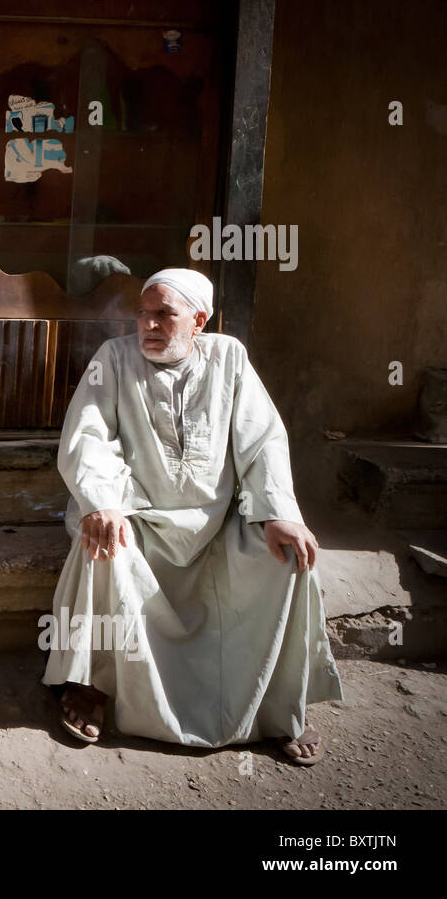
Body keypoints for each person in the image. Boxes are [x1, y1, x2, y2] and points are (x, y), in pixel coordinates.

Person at [43, 267, 343, 764]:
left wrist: (277, 511)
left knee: (288, 557)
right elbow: (87, 438)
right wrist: (102, 502)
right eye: (143, 313)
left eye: (165, 314)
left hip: (217, 523)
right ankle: (93, 685)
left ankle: (278, 705)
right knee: (103, 546)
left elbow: (263, 440)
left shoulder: (230, 358)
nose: (149, 324)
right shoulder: (112, 359)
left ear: (199, 320)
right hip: (136, 516)